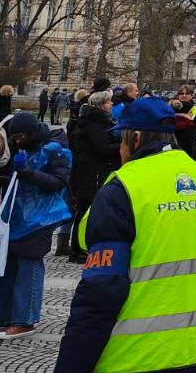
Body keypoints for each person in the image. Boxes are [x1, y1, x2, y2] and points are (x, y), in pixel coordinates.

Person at [55, 96, 196, 373]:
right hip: (192, 352)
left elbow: (100, 292)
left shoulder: (124, 188)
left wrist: (71, 366)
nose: (119, 148)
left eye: (121, 139)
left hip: (128, 357)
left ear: (137, 138)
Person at [0, 113, 70, 340]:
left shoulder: (55, 149)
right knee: (8, 266)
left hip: (41, 217)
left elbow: (58, 182)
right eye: (14, 137)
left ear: (33, 132)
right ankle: (5, 317)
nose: (17, 141)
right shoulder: (23, 148)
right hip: (18, 216)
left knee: (29, 265)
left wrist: (28, 173)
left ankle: (25, 319)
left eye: (21, 136)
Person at [66, 90, 118, 263]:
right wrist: (122, 145)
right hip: (91, 172)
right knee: (86, 209)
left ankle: (79, 247)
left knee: (85, 209)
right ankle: (79, 248)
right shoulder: (96, 124)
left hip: (91, 170)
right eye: (109, 102)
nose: (111, 105)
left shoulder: (98, 121)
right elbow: (102, 148)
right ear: (101, 105)